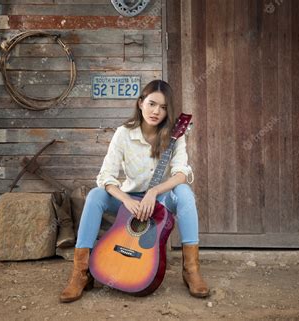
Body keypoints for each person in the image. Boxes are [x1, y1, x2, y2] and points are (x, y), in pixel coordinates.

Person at [59, 80, 210, 303]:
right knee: (95, 195)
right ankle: (81, 273)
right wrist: (125, 199)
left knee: (185, 193)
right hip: (129, 199)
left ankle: (191, 270)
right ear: (140, 103)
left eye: (164, 107)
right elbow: (106, 177)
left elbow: (181, 173)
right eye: (151, 104)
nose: (156, 111)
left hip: (160, 198)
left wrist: (154, 192)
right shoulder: (123, 134)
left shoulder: (174, 136)